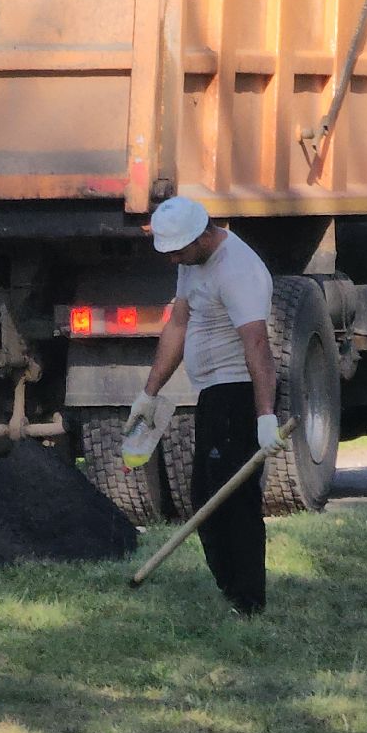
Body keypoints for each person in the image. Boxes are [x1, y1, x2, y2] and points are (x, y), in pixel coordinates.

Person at [128, 197, 280, 616]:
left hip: (239, 393)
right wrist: (149, 393)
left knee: (233, 499)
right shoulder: (191, 263)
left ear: (201, 236)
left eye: (177, 250)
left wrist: (265, 415)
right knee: (205, 499)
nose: (172, 259)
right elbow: (178, 324)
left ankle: (247, 602)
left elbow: (257, 344)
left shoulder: (238, 270)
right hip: (213, 394)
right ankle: (233, 594)